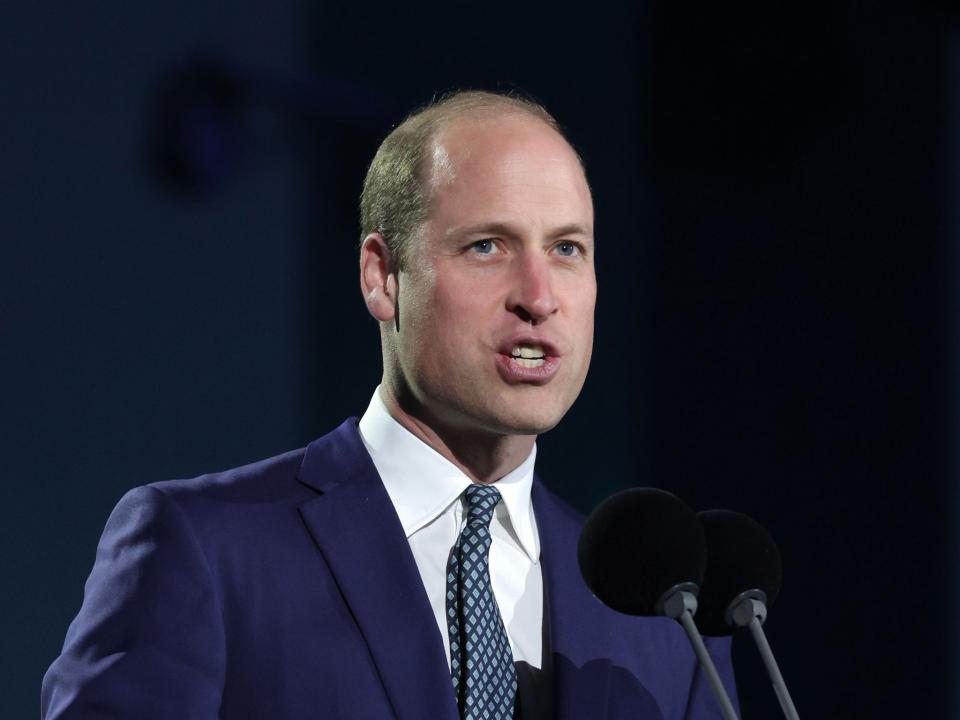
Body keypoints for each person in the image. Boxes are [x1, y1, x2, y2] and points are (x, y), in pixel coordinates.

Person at [42, 91, 736, 719]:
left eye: (566, 249)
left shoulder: (664, 620)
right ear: (381, 277)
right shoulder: (205, 550)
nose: (539, 295)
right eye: (487, 246)